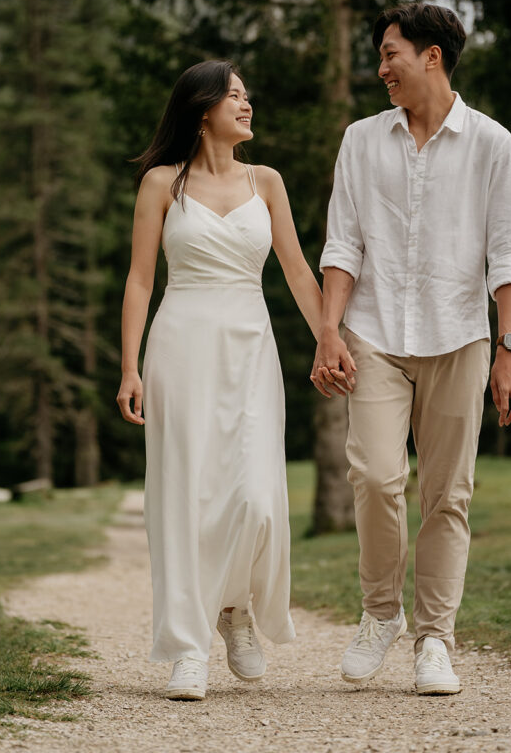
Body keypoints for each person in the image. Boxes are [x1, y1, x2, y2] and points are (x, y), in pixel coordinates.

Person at [311, 2, 511, 696]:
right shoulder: (360, 141)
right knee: (375, 477)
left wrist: (509, 350)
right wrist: (327, 331)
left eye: (389, 55)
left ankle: (435, 638)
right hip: (372, 333)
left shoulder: (492, 144)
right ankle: (380, 613)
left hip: (459, 336)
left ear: (430, 56)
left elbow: (506, 257)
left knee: (447, 494)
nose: (381, 69)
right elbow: (342, 244)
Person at [117, 60, 350, 701]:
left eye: (248, 94)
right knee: (184, 496)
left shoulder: (267, 181)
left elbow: (300, 274)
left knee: (257, 498)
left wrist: (328, 337)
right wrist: (130, 366)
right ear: (202, 111)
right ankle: (187, 647)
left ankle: (236, 608)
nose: (247, 105)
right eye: (235, 96)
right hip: (181, 344)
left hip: (250, 346)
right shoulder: (162, 184)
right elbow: (140, 279)